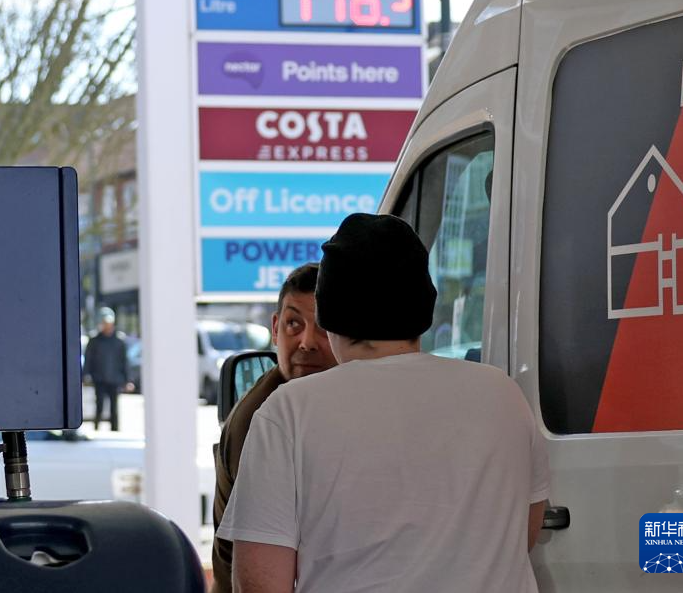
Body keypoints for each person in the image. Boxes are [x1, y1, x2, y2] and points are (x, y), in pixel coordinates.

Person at [218, 214, 549, 592]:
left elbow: (262, 582)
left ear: (330, 313)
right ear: (424, 306)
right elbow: (522, 533)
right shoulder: (503, 395)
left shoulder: (289, 411)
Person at [212, 263, 338, 593]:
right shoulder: (266, 419)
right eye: (294, 324)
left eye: (323, 327)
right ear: (274, 328)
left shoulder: (312, 404)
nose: (306, 342)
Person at [83, 307, 128, 431]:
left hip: (114, 378)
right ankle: (97, 427)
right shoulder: (94, 340)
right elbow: (88, 359)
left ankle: (115, 429)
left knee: (114, 406)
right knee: (99, 404)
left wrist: (127, 380)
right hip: (99, 378)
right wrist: (85, 375)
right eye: (104, 323)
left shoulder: (119, 341)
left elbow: (124, 362)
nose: (107, 326)